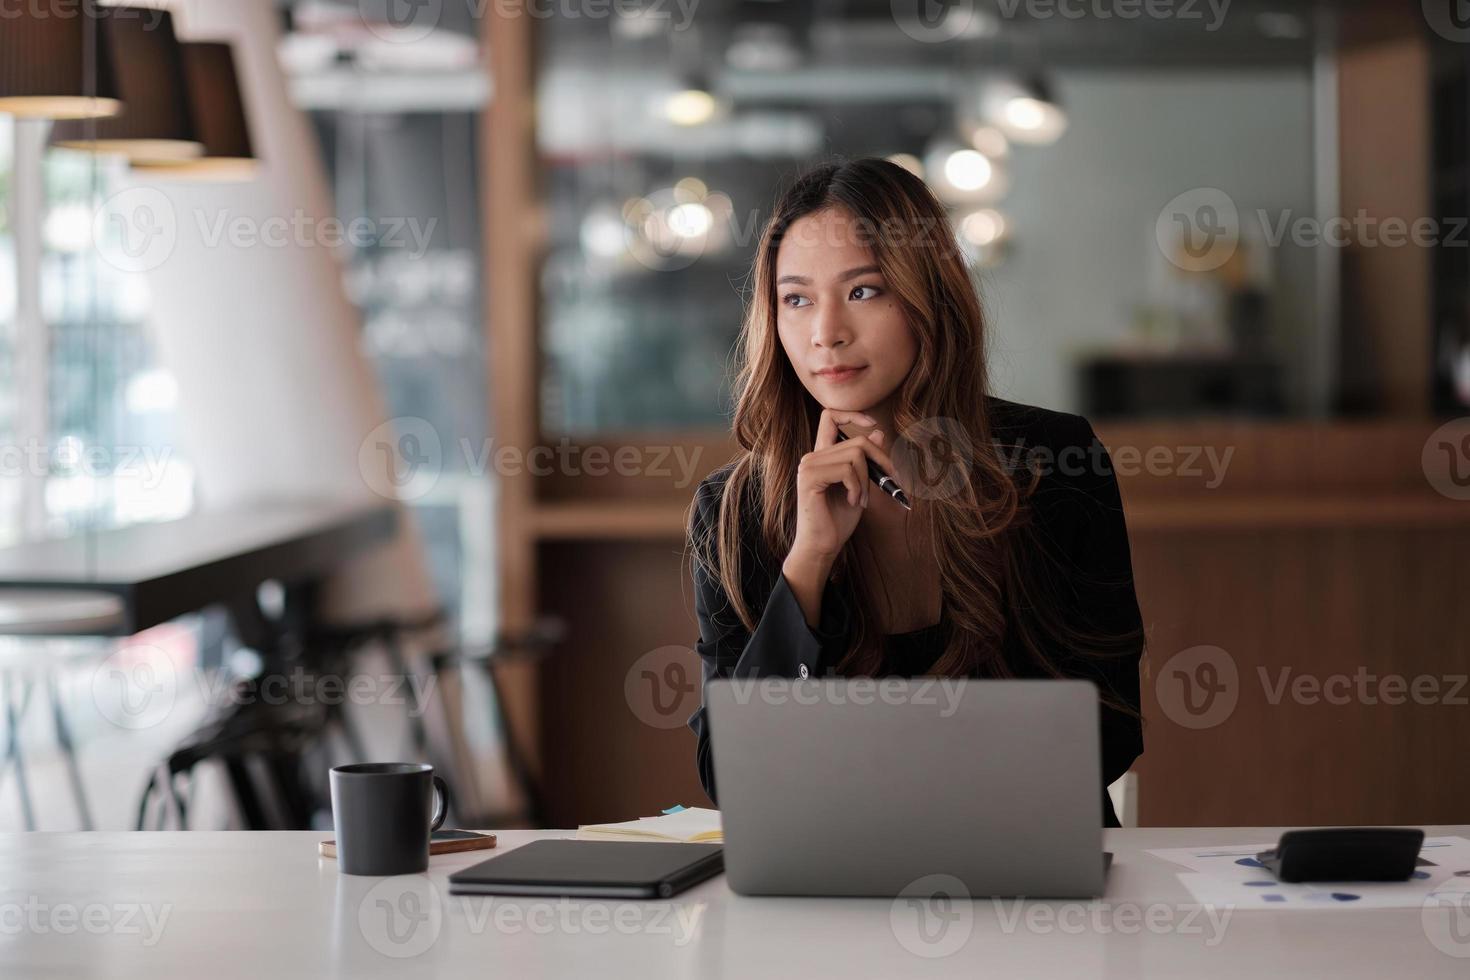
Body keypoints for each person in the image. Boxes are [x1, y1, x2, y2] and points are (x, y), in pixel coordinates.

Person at [685, 158, 1145, 827]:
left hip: (1028, 870)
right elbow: (731, 777)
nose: (826, 332)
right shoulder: (734, 510)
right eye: (797, 299)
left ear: (929, 296)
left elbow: (1109, 733)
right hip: (831, 883)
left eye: (864, 291)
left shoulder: (1052, 463)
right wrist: (808, 564)